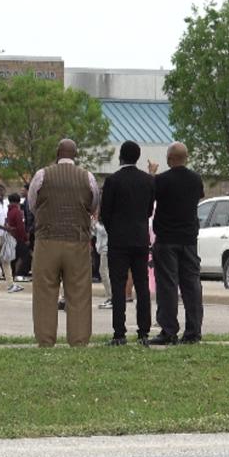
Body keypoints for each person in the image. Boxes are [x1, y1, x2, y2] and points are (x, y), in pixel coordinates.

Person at [27, 139, 101, 348]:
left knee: (45, 291)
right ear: (75, 154)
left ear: (57, 153)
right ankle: (78, 340)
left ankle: (45, 340)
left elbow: (33, 204)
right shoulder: (87, 176)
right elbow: (93, 204)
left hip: (47, 240)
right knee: (78, 292)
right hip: (77, 241)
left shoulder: (42, 175)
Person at [99, 140, 155, 346]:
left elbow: (104, 213)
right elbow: (149, 210)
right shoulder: (148, 181)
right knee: (142, 286)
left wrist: (114, 230)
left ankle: (119, 333)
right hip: (140, 239)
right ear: (137, 157)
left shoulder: (113, 181)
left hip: (119, 241)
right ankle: (143, 333)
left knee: (119, 286)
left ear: (120, 156)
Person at [150, 141, 205, 345]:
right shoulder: (195, 179)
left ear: (170, 158)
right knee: (191, 285)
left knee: (167, 286)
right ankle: (193, 331)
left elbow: (151, 196)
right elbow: (198, 198)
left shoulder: (161, 180)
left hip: (166, 239)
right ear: (186, 157)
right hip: (189, 239)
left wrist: (151, 175)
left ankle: (169, 330)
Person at [6, 193, 30, 286]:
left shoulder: (9, 211)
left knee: (14, 256)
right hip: (18, 237)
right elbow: (20, 226)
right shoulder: (17, 212)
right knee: (25, 255)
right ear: (18, 201)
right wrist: (25, 238)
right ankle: (20, 274)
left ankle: (11, 273)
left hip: (11, 237)